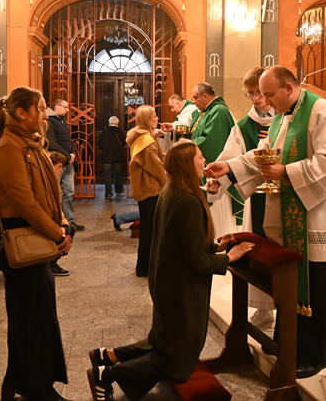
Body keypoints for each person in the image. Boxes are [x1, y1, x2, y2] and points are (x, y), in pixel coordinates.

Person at [206, 66, 326, 379]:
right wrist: (230, 167)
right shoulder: (282, 116)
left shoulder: (322, 111)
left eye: (268, 94)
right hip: (300, 217)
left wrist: (286, 173)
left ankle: (316, 353)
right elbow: (265, 154)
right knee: (299, 282)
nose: (264, 101)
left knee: (319, 284)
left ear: (288, 88)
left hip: (320, 217)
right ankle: (293, 344)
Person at [86, 141, 254, 401]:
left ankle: (106, 356)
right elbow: (197, 262)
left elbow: (182, 241)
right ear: (187, 164)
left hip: (168, 282)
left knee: (164, 342)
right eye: (200, 157)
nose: (204, 160)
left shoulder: (172, 190)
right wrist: (227, 258)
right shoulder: (187, 200)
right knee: (177, 356)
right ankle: (106, 374)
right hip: (182, 289)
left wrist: (214, 246)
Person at [0, 87, 72, 401]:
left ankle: (19, 380)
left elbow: (48, 194)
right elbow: (24, 203)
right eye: (41, 108)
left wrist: (62, 223)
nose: (45, 114)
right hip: (22, 239)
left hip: (37, 235)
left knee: (34, 316)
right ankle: (37, 388)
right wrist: (57, 233)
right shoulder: (9, 147)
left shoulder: (28, 143)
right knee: (33, 319)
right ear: (22, 113)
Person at [206, 67, 275, 326]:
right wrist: (217, 182)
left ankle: (292, 305)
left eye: (259, 92)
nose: (256, 99)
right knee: (259, 251)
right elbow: (229, 159)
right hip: (258, 197)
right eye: (250, 94)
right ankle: (265, 308)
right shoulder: (243, 127)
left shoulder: (288, 119)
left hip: (288, 197)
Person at [187, 82, 236, 237]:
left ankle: (218, 240)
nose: (193, 101)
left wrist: (189, 146)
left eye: (195, 97)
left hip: (215, 171)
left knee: (217, 212)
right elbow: (196, 132)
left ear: (205, 96)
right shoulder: (206, 111)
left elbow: (212, 141)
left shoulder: (219, 111)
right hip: (203, 164)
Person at [126, 105, 167, 277]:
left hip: (145, 187)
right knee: (149, 230)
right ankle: (144, 267)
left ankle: (145, 266)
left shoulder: (141, 135)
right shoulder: (146, 141)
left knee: (148, 228)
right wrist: (167, 184)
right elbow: (154, 165)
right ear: (146, 119)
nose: (157, 119)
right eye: (154, 116)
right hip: (150, 188)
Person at [48, 99, 84, 233]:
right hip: (58, 163)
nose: (67, 110)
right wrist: (68, 156)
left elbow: (69, 141)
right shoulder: (50, 121)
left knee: (69, 192)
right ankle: (57, 222)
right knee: (55, 193)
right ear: (57, 106)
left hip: (68, 163)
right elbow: (52, 143)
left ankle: (69, 222)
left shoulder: (62, 121)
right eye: (65, 107)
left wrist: (73, 153)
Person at [97, 115, 127, 199]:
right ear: (117, 123)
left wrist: (106, 148)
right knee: (118, 173)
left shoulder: (105, 132)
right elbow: (124, 142)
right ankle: (119, 190)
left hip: (107, 157)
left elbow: (100, 144)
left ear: (109, 122)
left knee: (107, 175)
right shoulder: (120, 132)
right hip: (118, 156)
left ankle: (108, 193)